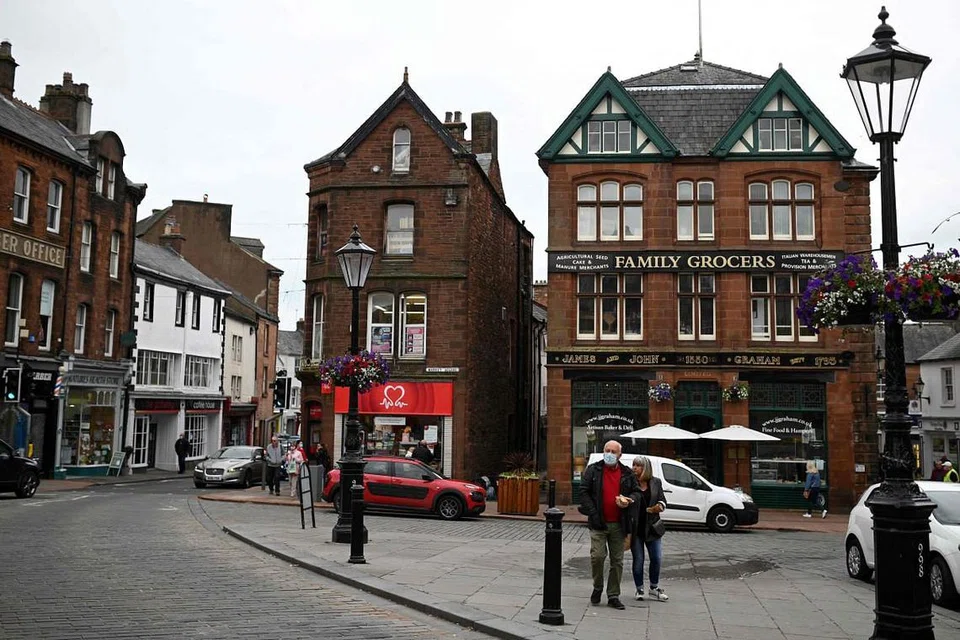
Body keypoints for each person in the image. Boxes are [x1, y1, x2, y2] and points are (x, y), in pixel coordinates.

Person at [579, 440, 640, 610]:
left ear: (620, 455)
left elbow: (636, 493)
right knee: (597, 557)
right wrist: (593, 513)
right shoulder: (594, 470)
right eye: (607, 450)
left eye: (614, 451)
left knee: (617, 561)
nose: (610, 454)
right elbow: (583, 492)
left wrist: (629, 500)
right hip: (598, 522)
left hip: (619, 524)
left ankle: (613, 594)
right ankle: (597, 587)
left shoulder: (627, 473)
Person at [625, 456, 669, 602]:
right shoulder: (630, 482)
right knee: (638, 560)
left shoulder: (656, 482)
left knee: (656, 558)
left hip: (652, 527)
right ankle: (639, 589)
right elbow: (624, 499)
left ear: (646, 468)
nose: (635, 468)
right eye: (634, 465)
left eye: (638, 466)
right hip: (636, 527)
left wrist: (660, 506)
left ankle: (654, 587)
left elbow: (662, 499)